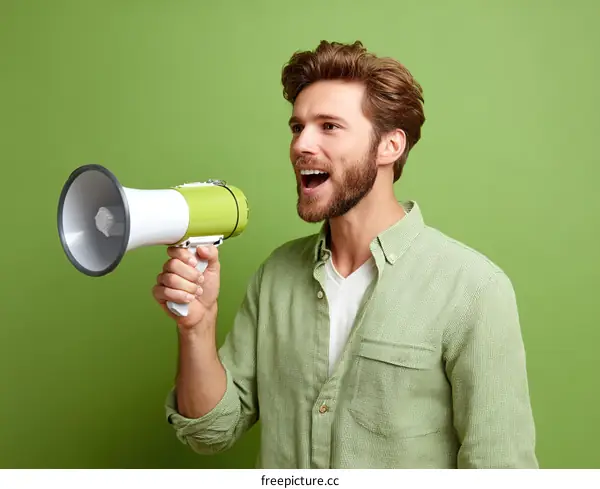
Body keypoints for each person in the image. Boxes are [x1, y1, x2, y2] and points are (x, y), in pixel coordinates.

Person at [153, 40, 538, 469]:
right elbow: (211, 433)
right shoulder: (276, 276)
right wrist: (197, 327)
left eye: (329, 126)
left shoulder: (473, 289)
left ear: (389, 146)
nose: (301, 145)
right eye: (297, 127)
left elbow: (501, 468)